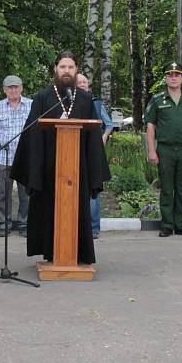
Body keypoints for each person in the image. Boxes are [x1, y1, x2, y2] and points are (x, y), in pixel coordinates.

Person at [10, 52, 110, 265]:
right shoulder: (43, 97)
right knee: (48, 210)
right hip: (48, 168)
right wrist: (34, 170)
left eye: (71, 67)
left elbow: (94, 136)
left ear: (76, 70)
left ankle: (77, 254)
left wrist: (94, 171)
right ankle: (52, 252)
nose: (66, 71)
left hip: (77, 169)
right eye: (63, 67)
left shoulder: (85, 99)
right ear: (55, 69)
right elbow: (33, 133)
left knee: (77, 210)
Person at [144, 62, 182, 238]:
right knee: (166, 189)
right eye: (170, 75)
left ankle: (181, 225)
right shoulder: (157, 100)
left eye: (176, 75)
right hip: (165, 150)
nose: (173, 78)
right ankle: (166, 225)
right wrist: (151, 150)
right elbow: (150, 126)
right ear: (165, 78)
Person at [0, 75, 32, 237]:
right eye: (10, 87)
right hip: (3, 157)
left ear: (21, 88)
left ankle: (24, 224)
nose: (13, 90)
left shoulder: (31, 105)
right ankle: (4, 225)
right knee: (3, 194)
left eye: (16, 87)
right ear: (4, 90)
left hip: (25, 157)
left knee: (26, 194)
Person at [75, 74, 113, 239]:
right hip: (72, 150)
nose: (83, 84)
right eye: (80, 82)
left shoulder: (96, 103)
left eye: (85, 82)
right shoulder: (68, 102)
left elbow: (109, 124)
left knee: (93, 188)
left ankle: (94, 228)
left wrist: (103, 137)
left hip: (93, 151)